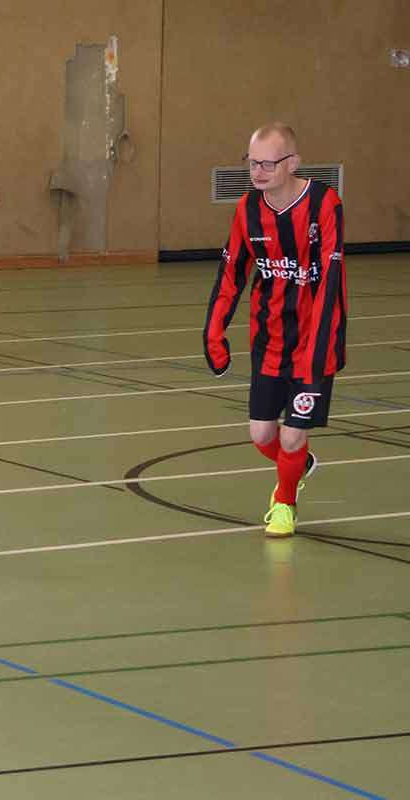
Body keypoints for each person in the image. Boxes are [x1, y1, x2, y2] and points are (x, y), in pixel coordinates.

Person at [203, 123, 346, 537]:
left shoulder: (324, 203)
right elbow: (232, 272)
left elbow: (331, 280)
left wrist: (319, 351)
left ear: (293, 163)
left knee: (291, 436)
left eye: (268, 163)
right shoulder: (247, 210)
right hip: (270, 341)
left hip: (315, 342)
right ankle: (298, 465)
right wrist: (213, 332)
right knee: (261, 433)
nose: (258, 172)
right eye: (252, 163)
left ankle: (285, 504)